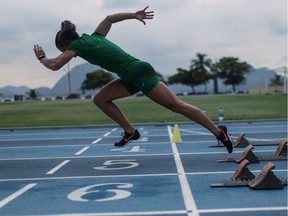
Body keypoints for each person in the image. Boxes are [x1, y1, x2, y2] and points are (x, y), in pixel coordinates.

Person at [33, 6, 233, 153]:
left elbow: (55, 64)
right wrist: (134, 15)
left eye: (63, 50)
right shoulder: (95, 37)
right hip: (129, 76)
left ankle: (218, 132)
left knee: (176, 106)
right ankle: (130, 131)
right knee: (100, 99)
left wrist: (42, 57)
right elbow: (109, 18)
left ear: (66, 44)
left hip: (138, 72)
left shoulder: (79, 45)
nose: (65, 53)